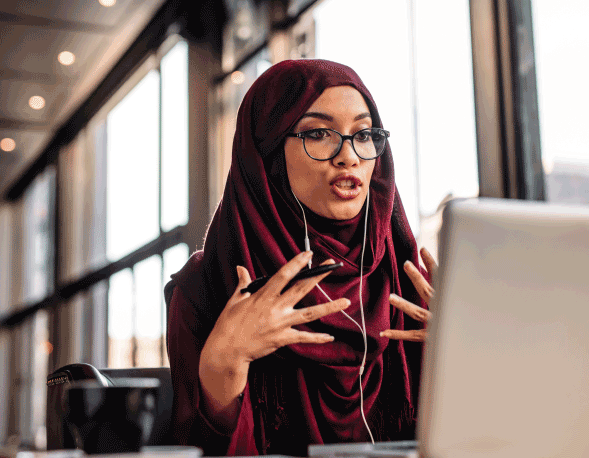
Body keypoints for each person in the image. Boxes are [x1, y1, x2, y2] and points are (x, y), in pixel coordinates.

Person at [164, 59, 437, 457]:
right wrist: (225, 363)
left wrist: (467, 359)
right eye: (319, 133)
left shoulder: (408, 280)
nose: (350, 157)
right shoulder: (207, 287)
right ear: (267, 154)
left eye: (363, 133)